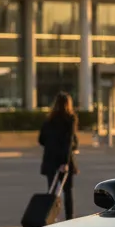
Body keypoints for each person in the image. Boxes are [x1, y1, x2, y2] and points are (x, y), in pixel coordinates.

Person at [38, 91, 79, 220]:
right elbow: (68, 142)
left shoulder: (49, 119)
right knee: (67, 192)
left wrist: (51, 146)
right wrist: (65, 162)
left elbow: (41, 139)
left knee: (51, 191)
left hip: (50, 160)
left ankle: (50, 217)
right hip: (63, 160)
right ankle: (69, 217)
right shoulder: (70, 119)